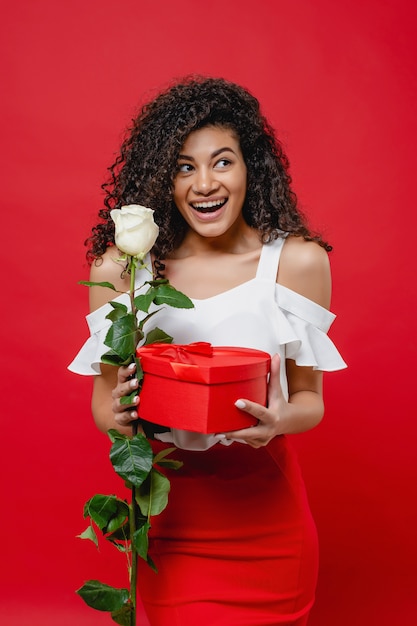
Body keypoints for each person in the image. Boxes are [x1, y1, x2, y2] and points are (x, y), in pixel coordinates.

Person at [69, 76, 346, 625]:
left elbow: (310, 398)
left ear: (251, 169)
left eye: (222, 162)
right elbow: (103, 408)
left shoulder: (297, 263)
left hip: (271, 520)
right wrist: (122, 414)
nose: (204, 183)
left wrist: (279, 419)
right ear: (161, 180)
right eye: (183, 166)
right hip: (172, 519)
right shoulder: (123, 271)